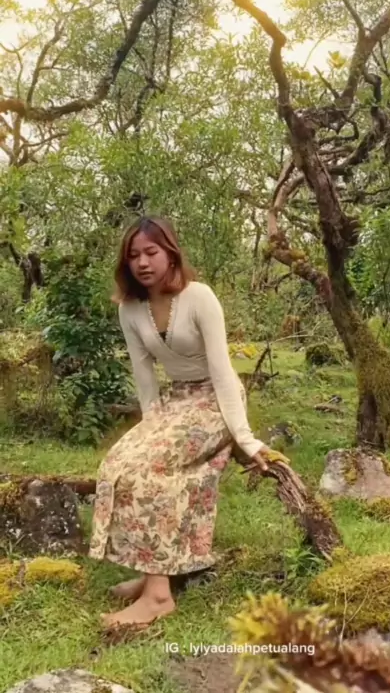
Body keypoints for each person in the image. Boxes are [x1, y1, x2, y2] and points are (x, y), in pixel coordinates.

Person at [89, 215, 275, 630]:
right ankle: (153, 569)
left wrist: (245, 437)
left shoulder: (199, 297)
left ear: (170, 253)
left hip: (214, 402)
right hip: (174, 403)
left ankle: (158, 597)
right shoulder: (130, 309)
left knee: (151, 469)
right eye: (134, 255)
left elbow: (223, 371)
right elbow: (144, 377)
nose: (143, 262)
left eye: (151, 252)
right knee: (117, 464)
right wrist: (150, 429)